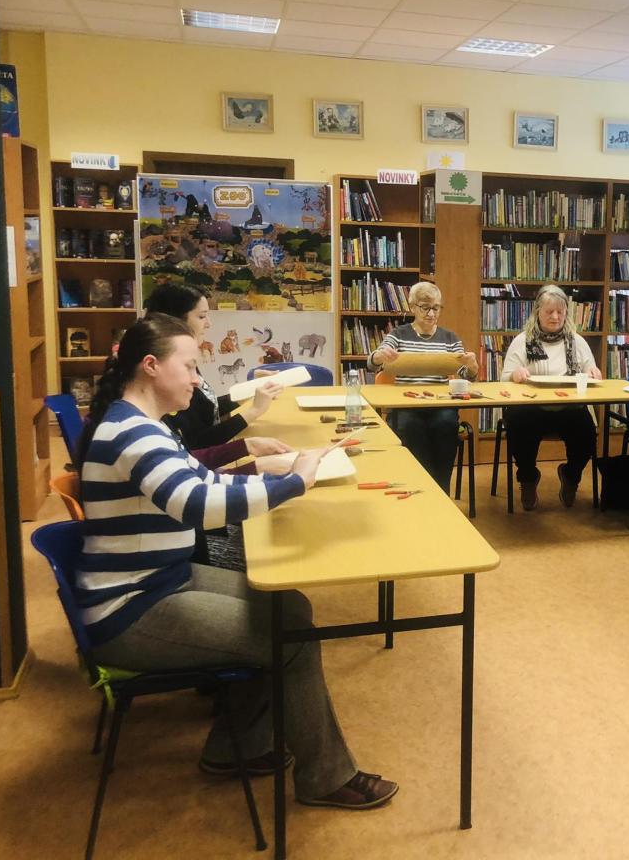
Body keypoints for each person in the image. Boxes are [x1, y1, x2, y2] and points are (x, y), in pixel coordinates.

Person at [75, 314, 397, 809]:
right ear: (151, 366)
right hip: (130, 610)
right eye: (190, 367)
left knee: (290, 607)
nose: (197, 379)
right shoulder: (132, 434)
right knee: (290, 636)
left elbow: (206, 482)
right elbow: (197, 505)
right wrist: (294, 483)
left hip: (160, 580)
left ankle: (236, 748)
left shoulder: (143, 425)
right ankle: (326, 778)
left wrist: (278, 476)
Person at [365, 282, 477, 492]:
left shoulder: (450, 338)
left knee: (446, 424)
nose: (431, 313)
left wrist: (471, 367)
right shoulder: (398, 334)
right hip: (406, 405)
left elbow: (465, 375)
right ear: (413, 307)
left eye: (436, 308)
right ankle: (423, 487)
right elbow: (372, 364)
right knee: (410, 426)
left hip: (441, 404)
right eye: (425, 307)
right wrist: (379, 356)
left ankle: (440, 490)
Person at [144, 283, 284, 450]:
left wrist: (250, 389)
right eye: (202, 316)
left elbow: (206, 410)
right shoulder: (167, 372)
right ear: (174, 320)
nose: (208, 324)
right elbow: (196, 444)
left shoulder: (182, 360)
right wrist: (254, 411)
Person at [501, 284, 603, 510]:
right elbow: (504, 378)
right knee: (518, 425)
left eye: (560, 312)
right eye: (549, 311)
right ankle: (528, 479)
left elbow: (591, 371)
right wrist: (515, 375)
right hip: (531, 409)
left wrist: (593, 372)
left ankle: (570, 476)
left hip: (569, 409)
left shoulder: (577, 341)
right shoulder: (523, 340)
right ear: (537, 311)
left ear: (566, 313)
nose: (555, 317)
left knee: (587, 433)